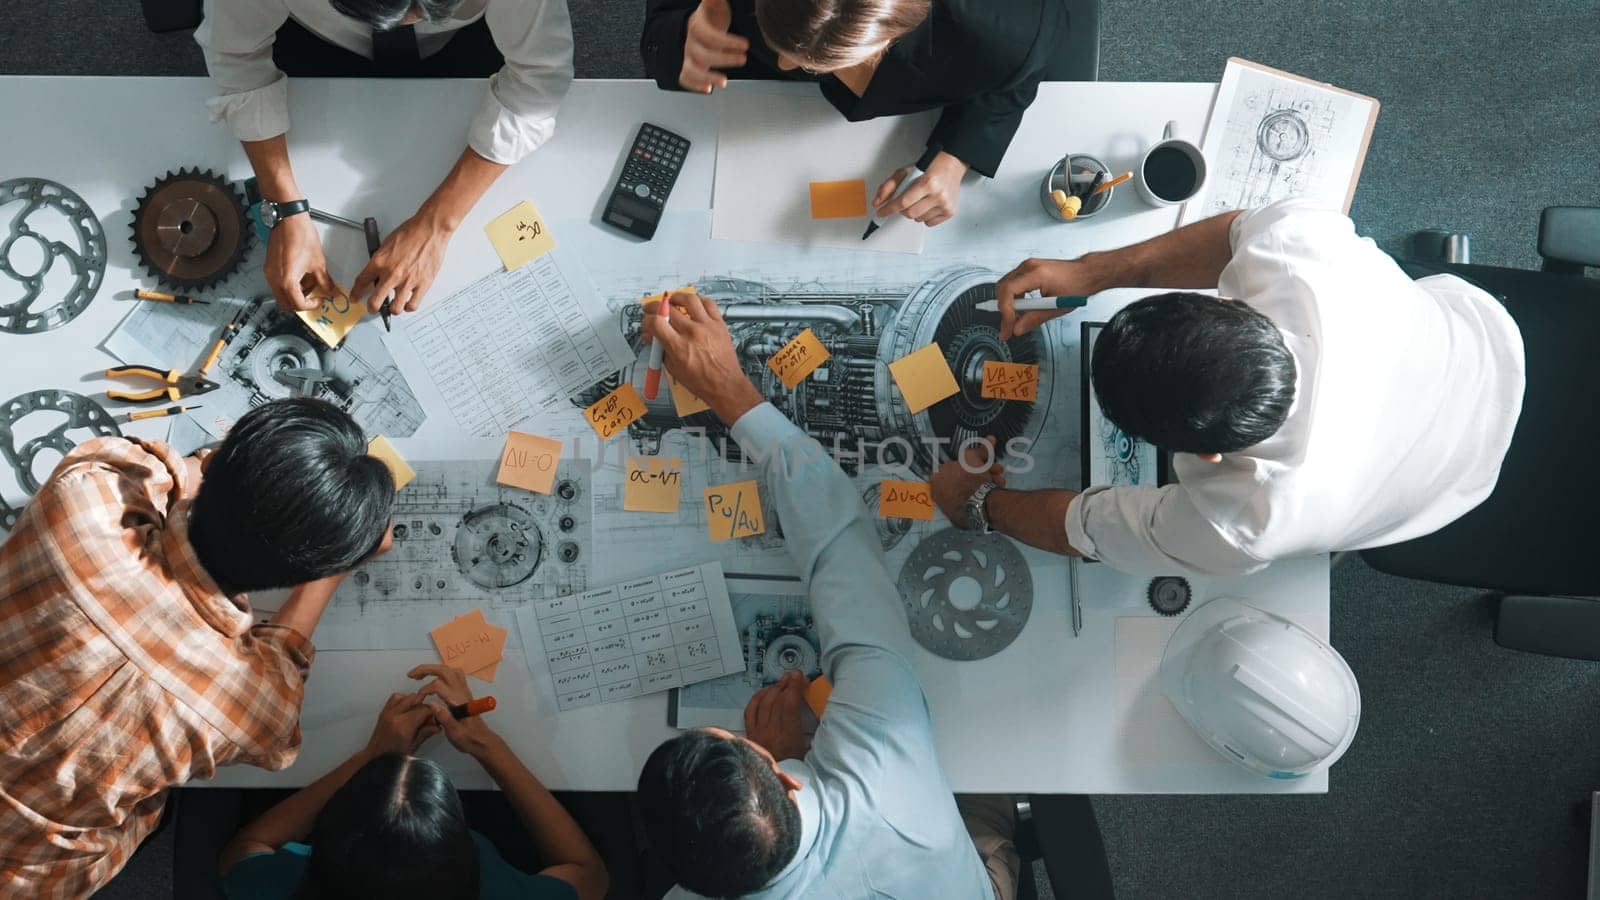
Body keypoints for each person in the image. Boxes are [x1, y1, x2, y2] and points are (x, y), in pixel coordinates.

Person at [633, 292, 1013, 899]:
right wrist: (730, 389)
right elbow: (844, 550)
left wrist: (780, 760)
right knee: (1004, 763)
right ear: (783, 782)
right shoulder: (882, 768)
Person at [930, 199, 1526, 576]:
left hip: (1458, 481)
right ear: (1228, 305)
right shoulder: (1294, 251)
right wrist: (1091, 273)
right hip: (1490, 332)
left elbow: (1086, 527)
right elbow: (1237, 235)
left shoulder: (1246, 522)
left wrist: (976, 503)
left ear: (1207, 458)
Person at [0, 398, 396, 897]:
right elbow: (280, 699)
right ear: (302, 575)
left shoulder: (83, 502)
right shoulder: (244, 706)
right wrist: (336, 563)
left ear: (215, 461)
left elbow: (137, 460)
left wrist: (218, 471)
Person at [196, 0, 574, 315]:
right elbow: (238, 60)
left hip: (466, 41)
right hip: (311, 38)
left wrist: (436, 224)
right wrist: (283, 206)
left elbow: (537, 81)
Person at [641, 0, 1075, 228]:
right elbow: (664, 20)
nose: (787, 66)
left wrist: (955, 157)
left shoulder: (1006, 32)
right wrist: (685, 27)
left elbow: (1018, 76)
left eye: (811, 62)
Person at [218, 664, 608, 900]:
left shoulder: (286, 886)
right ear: (467, 851)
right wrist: (486, 745)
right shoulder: (496, 889)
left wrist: (369, 757)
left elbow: (244, 849)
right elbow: (588, 874)